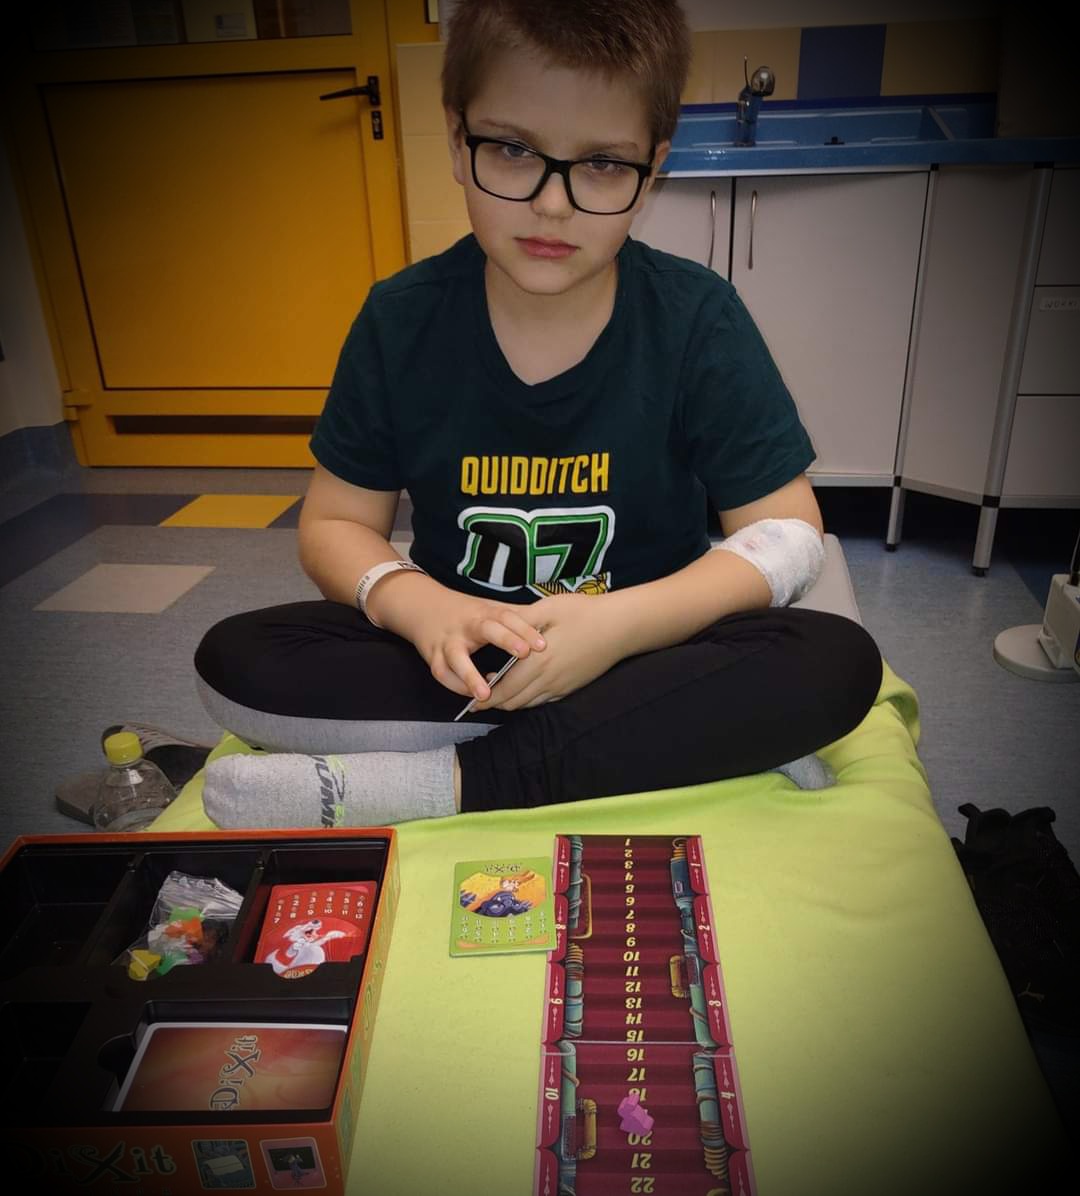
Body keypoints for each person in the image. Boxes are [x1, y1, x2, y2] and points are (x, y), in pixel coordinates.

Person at [192, 0, 882, 829]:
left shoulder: (697, 318)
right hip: (465, 658)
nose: (553, 204)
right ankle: (668, 743)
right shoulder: (399, 319)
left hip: (647, 648)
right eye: (515, 150)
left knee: (835, 659)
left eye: (602, 163)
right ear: (458, 142)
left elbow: (788, 536)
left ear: (652, 169)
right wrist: (421, 606)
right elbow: (335, 526)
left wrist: (614, 627)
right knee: (237, 657)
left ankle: (449, 784)